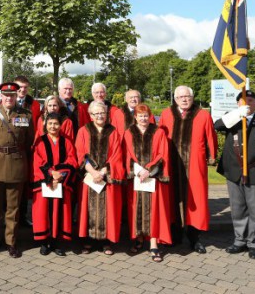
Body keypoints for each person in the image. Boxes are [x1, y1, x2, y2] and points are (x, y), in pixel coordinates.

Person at [215, 90, 255, 260]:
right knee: (237, 209)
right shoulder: (232, 119)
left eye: (251, 101)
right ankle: (239, 240)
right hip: (234, 172)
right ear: (238, 104)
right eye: (243, 101)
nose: (247, 103)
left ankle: (254, 243)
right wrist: (237, 114)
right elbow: (217, 126)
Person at [158, 85, 218, 254]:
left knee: (195, 200)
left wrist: (212, 155)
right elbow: (159, 138)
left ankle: (194, 238)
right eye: (181, 97)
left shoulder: (203, 115)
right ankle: (174, 235)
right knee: (172, 199)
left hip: (194, 165)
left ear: (192, 98)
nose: (184, 99)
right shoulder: (166, 114)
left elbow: (210, 137)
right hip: (171, 164)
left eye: (187, 97)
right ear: (175, 99)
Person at [0, 82, 35, 258]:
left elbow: (29, 140)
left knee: (13, 208)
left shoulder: (26, 114)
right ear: (1, 96)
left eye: (12, 95)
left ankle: (10, 242)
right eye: (6, 95)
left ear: (16, 96)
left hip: (16, 163)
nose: (9, 98)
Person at [124, 104, 172, 262]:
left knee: (153, 210)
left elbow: (162, 154)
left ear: (150, 116)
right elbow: (127, 154)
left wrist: (149, 170)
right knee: (136, 209)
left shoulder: (158, 132)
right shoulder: (129, 133)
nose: (143, 118)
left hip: (153, 177)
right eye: (140, 115)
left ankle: (153, 243)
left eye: (146, 115)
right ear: (135, 117)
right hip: (137, 177)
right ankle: (138, 240)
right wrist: (138, 170)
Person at [75, 101, 124, 255]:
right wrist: (92, 171)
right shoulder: (84, 130)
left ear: (106, 114)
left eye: (102, 112)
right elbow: (80, 152)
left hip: (106, 176)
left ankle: (105, 241)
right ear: (90, 115)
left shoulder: (113, 131)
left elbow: (116, 155)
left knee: (108, 208)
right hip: (89, 176)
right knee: (88, 208)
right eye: (96, 113)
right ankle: (88, 240)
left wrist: (102, 172)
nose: (100, 115)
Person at [31, 113, 77, 256]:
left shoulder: (67, 142)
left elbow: (72, 160)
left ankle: (58, 243)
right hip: (45, 184)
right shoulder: (40, 141)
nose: (53, 126)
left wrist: (60, 175)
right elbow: (37, 161)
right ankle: (45, 243)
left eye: (56, 123)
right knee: (44, 212)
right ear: (45, 124)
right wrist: (51, 173)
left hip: (61, 184)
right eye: (50, 123)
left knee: (61, 212)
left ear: (60, 125)